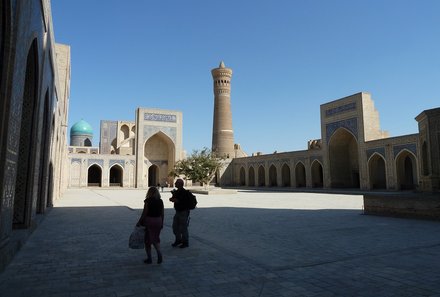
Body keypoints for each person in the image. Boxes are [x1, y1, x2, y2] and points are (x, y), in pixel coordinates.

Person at [137, 186, 164, 264]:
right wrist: (162, 222)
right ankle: (159, 252)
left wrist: (139, 222)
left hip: (150, 220)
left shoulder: (147, 201)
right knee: (156, 238)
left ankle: (150, 259)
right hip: (158, 220)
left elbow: (144, 213)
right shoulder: (160, 201)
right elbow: (162, 213)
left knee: (148, 240)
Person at [169, 178, 192, 248]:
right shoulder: (177, 191)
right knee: (175, 227)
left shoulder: (184, 192)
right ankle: (178, 240)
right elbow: (175, 199)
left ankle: (185, 242)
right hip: (178, 212)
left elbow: (181, 201)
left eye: (176, 183)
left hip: (183, 212)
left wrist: (175, 200)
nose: (175, 183)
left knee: (183, 228)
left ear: (180, 184)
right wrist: (173, 197)